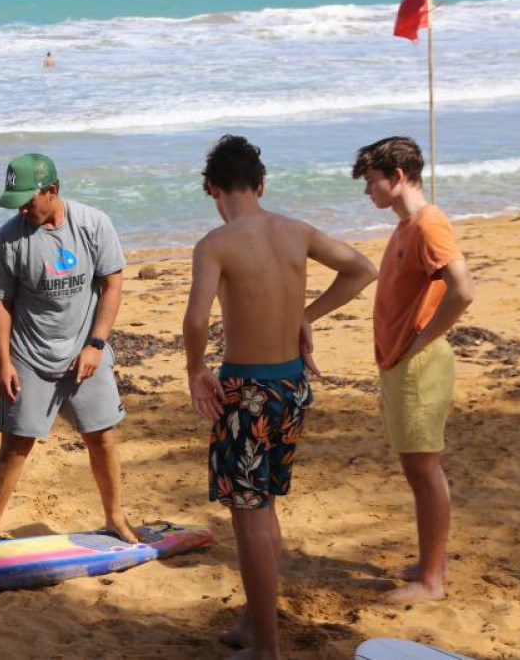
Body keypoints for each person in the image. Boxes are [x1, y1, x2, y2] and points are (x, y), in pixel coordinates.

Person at [183, 136, 376, 659]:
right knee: (264, 504)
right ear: (261, 186)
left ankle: (267, 649)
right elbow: (362, 269)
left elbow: (197, 318)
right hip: (292, 386)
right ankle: (254, 620)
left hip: (246, 391)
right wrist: (306, 315)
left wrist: (196, 368)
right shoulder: (296, 231)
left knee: (249, 518)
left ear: (213, 189)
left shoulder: (216, 244)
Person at [0, 153, 138, 563]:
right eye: (17, 202)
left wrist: (96, 344)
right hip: (29, 355)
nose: (23, 209)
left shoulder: (93, 224)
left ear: (53, 191)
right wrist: (3, 362)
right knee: (15, 447)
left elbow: (112, 283)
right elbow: (1, 303)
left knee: (102, 437)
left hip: (85, 351)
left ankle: (114, 516)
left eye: (28, 200)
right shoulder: (8, 238)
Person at [352, 136, 475, 604]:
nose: (368, 192)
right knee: (419, 468)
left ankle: (431, 580)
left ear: (397, 177)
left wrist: (424, 340)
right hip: (402, 363)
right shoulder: (406, 225)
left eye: (371, 182)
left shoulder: (429, 224)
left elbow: (462, 290)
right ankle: (432, 562)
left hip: (418, 365)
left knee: (423, 470)